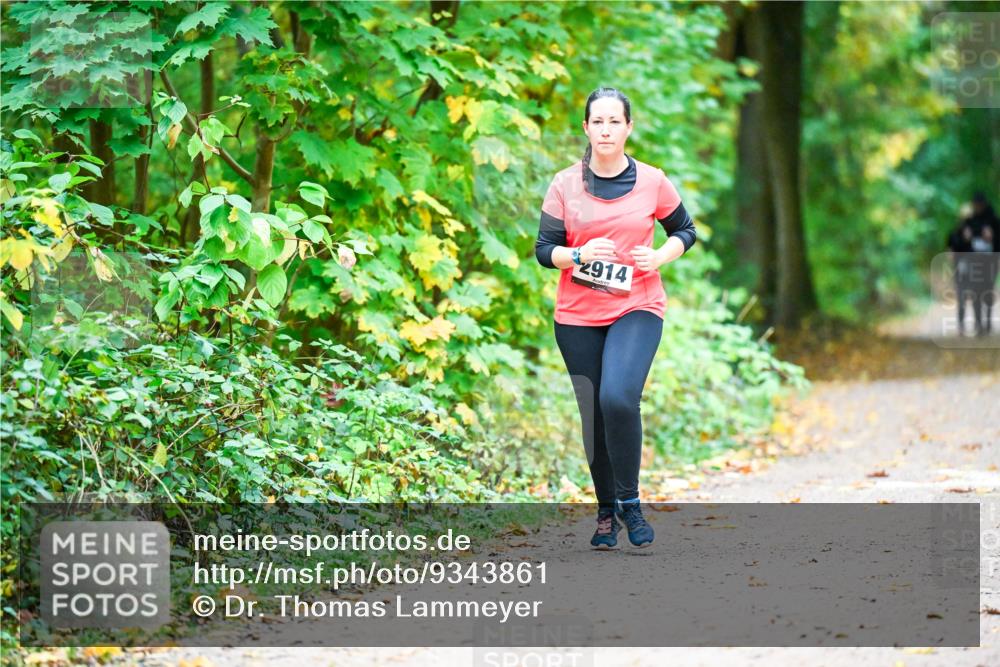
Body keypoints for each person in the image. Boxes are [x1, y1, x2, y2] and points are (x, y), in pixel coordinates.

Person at [534, 87, 696, 549]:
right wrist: (578, 253)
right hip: (577, 316)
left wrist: (661, 255)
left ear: (629, 128)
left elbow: (685, 230)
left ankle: (631, 504)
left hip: (637, 305)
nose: (605, 130)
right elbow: (545, 252)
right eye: (597, 122)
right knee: (594, 415)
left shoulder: (652, 181)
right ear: (586, 128)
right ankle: (605, 513)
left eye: (614, 121)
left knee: (619, 399)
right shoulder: (564, 185)